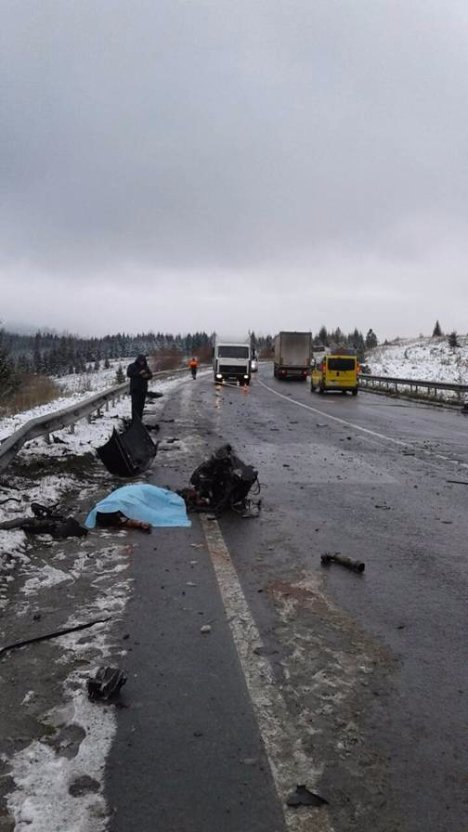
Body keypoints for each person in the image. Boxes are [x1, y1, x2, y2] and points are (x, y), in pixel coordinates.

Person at [126, 354, 153, 421]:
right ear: (137, 360)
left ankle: (139, 420)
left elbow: (151, 375)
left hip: (143, 389)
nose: (142, 362)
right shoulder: (132, 366)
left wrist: (147, 376)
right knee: (135, 405)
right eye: (141, 361)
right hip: (135, 389)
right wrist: (139, 373)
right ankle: (134, 420)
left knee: (141, 405)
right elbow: (129, 374)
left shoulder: (146, 367)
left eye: (143, 361)